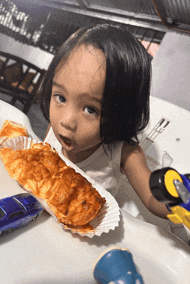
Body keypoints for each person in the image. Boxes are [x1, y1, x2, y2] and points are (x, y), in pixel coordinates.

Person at [39, 23, 171, 219]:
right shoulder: (53, 129)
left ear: (123, 113)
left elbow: (153, 200)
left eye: (90, 109)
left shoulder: (125, 153)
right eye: (60, 97)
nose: (66, 122)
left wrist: (180, 202)